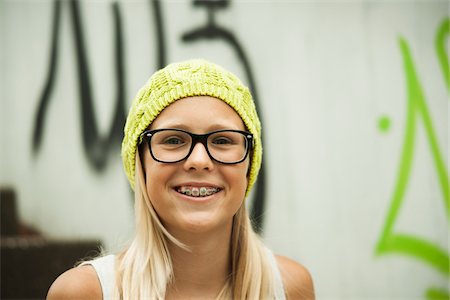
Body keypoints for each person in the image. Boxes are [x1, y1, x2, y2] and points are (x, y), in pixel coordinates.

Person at [47, 59, 314, 299]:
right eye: (174, 140)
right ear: (140, 161)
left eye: (222, 140)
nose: (199, 161)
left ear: (248, 163)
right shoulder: (85, 293)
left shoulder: (290, 288)